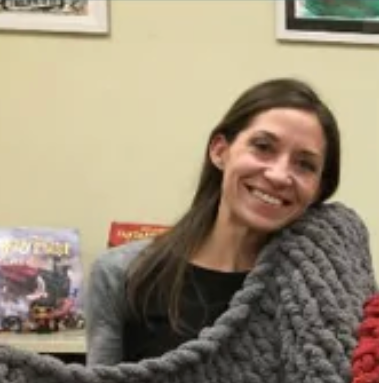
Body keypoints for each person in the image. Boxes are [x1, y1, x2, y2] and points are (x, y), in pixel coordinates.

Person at [82, 77, 342, 365]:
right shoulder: (121, 275)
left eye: (305, 164)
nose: (279, 175)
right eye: (263, 146)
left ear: (319, 188)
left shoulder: (319, 293)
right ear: (220, 151)